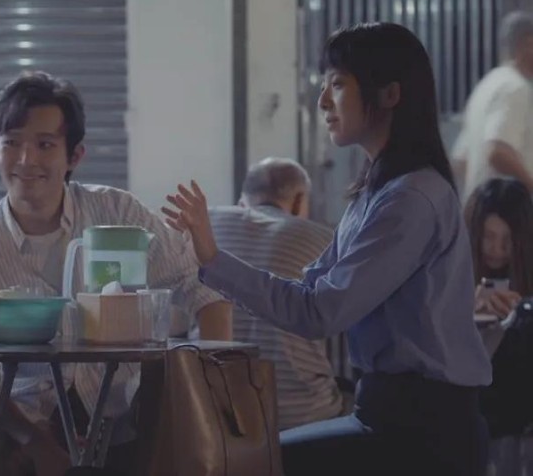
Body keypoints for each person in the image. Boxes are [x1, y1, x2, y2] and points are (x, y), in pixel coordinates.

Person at [165, 23, 491, 476]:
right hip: (387, 415)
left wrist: (213, 258)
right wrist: (213, 259)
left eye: (337, 84)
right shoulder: (375, 194)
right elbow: (309, 292)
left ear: (390, 94)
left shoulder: (409, 200)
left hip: (422, 434)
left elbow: (318, 313)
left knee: (251, 465)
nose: (322, 101)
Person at [0, 71, 232, 476]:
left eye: (44, 144)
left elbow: (204, 289)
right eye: (12, 143)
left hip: (120, 415)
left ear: (74, 156)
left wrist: (206, 387)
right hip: (17, 419)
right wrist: (32, 439)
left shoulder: (118, 214)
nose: (26, 160)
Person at [210, 157, 343, 430]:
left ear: (243, 202)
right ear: (299, 200)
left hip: (218, 415)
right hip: (303, 417)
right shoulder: (327, 241)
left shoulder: (207, 229)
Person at [452, 11, 533, 201]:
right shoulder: (516, 88)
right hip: (506, 213)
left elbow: (461, 161)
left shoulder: (486, 85)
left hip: (480, 210)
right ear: (528, 44)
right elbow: (497, 151)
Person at [464, 178, 533, 318]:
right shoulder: (448, 278)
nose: (497, 249)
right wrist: (470, 313)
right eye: (488, 237)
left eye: (508, 239)